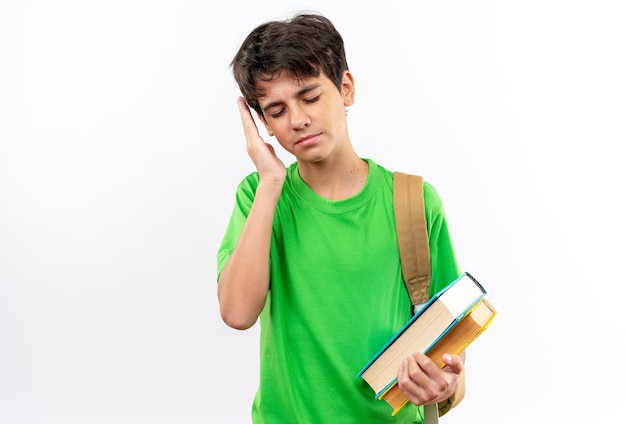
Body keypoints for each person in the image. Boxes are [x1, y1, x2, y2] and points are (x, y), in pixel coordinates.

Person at [217, 12, 465, 423]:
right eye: (276, 111)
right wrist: (270, 181)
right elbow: (237, 313)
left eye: (310, 97)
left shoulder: (413, 202)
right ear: (262, 124)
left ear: (345, 89)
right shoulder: (258, 196)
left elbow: (451, 347)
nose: (298, 119)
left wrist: (447, 385)